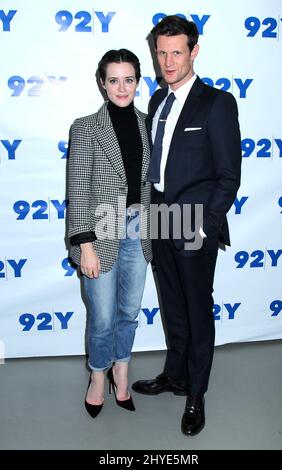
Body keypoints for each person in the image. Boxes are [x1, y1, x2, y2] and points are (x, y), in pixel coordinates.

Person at [132, 16, 241, 436]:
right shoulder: (158, 100)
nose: (168, 60)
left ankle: (197, 392)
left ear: (194, 51)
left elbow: (228, 175)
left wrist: (206, 227)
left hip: (194, 222)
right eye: (161, 52)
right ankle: (175, 375)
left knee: (197, 309)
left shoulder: (217, 102)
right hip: (159, 215)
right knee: (172, 302)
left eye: (177, 52)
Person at [67, 49, 152, 418]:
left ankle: (122, 370)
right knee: (101, 316)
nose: (122, 87)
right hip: (99, 231)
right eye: (114, 79)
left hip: (140, 229)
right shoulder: (85, 127)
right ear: (102, 82)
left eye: (129, 79)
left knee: (129, 312)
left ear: (138, 81)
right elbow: (77, 189)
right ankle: (98, 376)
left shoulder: (149, 124)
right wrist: (85, 244)